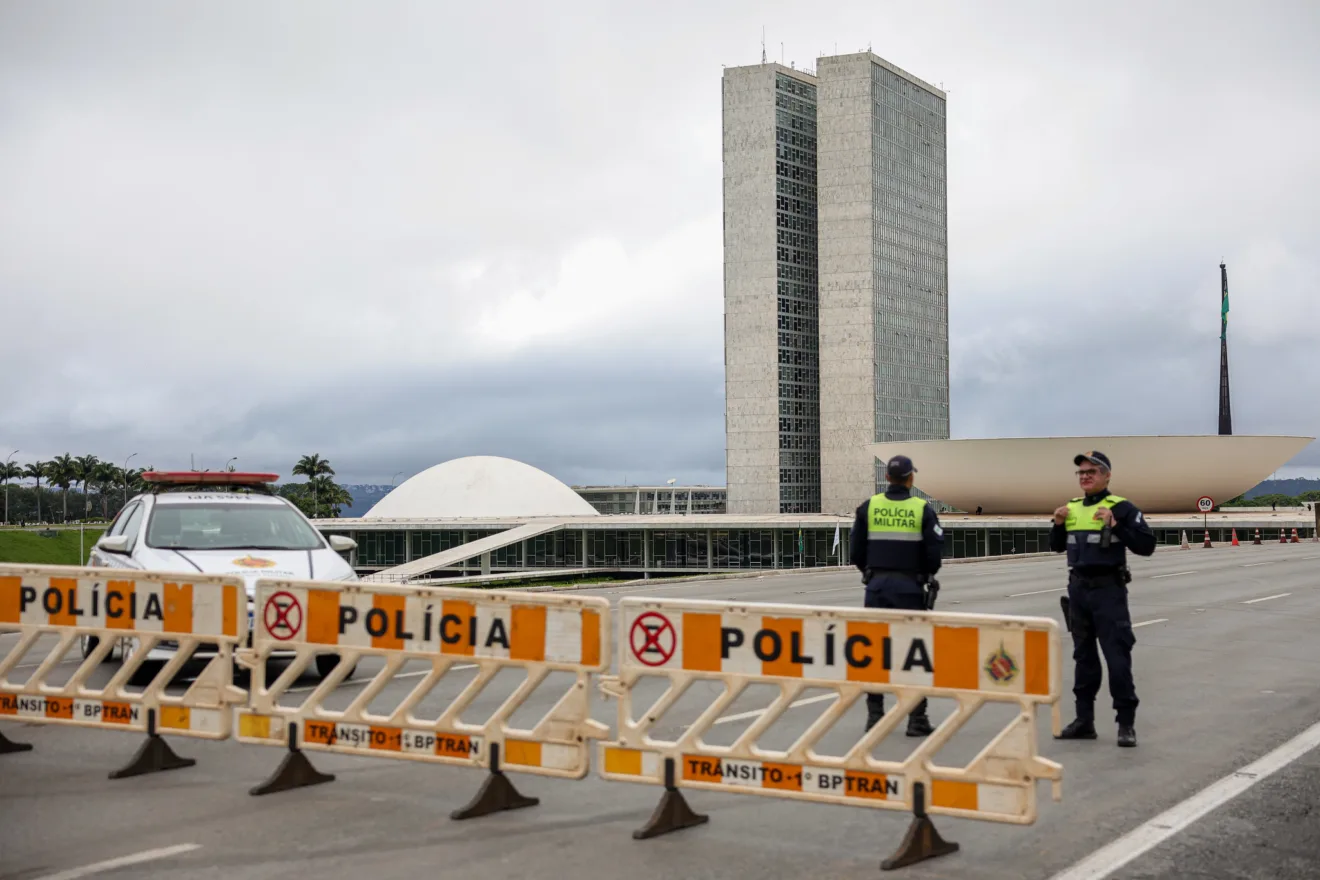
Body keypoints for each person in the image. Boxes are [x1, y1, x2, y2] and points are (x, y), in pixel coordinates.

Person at [1051, 450, 1156, 748]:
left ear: (1107, 475)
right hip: (1078, 591)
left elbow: (1146, 546)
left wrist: (1116, 525)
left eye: (1092, 472)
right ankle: (1084, 721)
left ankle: (1126, 724)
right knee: (1083, 659)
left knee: (1117, 658)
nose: (1085, 476)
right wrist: (1057, 524)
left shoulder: (1121, 508)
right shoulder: (1071, 508)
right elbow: (1056, 547)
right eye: (1081, 472)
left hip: (1108, 591)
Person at [850, 454, 944, 736]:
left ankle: (875, 716)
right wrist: (925, 574)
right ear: (910, 479)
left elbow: (855, 551)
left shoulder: (869, 507)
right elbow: (934, 554)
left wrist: (870, 571)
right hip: (909, 589)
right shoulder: (921, 509)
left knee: (874, 651)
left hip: (876, 587)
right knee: (913, 653)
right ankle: (916, 719)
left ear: (888, 478)